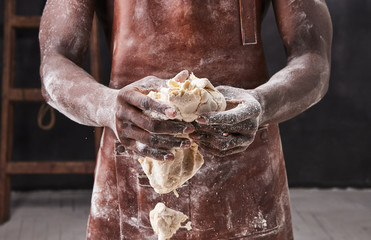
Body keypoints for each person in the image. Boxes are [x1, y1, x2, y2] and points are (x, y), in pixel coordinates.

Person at [39, 0, 332, 239]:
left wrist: (262, 103)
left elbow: (313, 57)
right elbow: (55, 60)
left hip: (247, 160)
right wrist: (106, 105)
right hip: (136, 157)